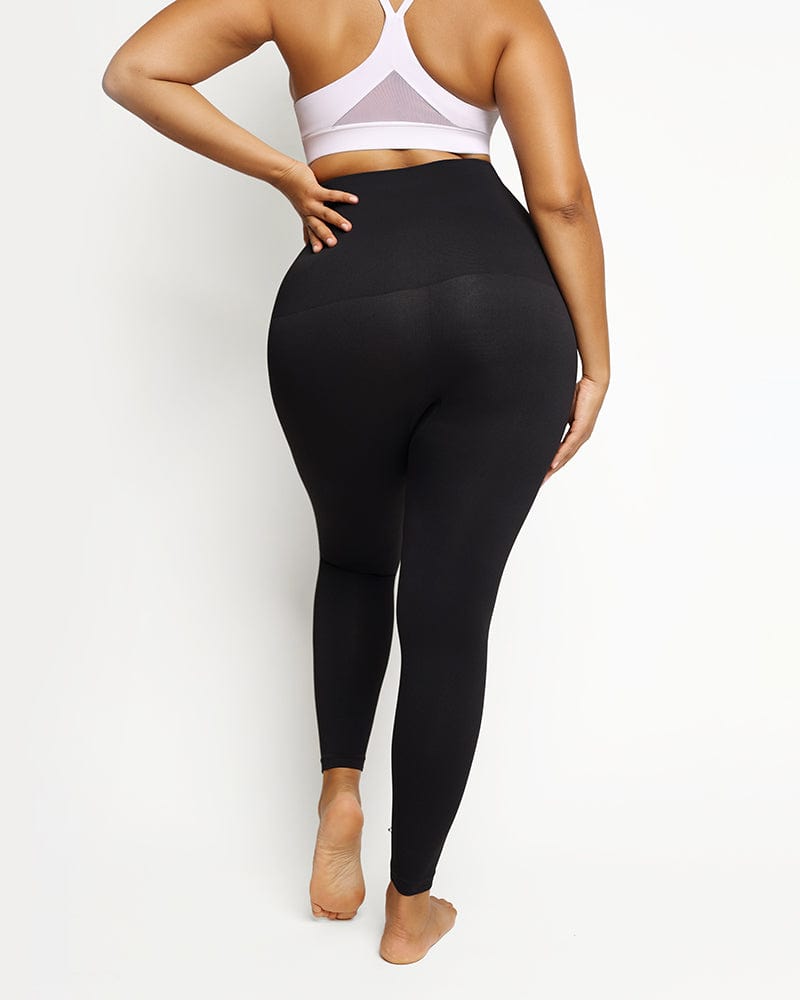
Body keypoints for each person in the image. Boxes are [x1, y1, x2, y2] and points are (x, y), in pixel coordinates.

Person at [102, 0, 610, 965]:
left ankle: (341, 790)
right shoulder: (504, 10)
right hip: (499, 304)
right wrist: (598, 359)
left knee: (353, 560)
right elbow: (561, 200)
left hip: (338, 297)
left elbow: (135, 72)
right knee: (448, 616)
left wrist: (287, 172)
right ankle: (410, 912)